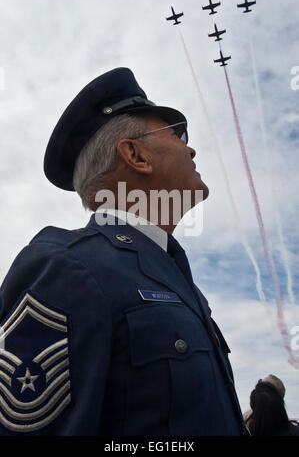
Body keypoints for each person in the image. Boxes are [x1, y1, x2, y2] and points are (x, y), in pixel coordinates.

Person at [0, 67, 248, 436]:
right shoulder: (69, 267)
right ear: (136, 155)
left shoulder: (180, 281)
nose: (190, 147)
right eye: (176, 134)